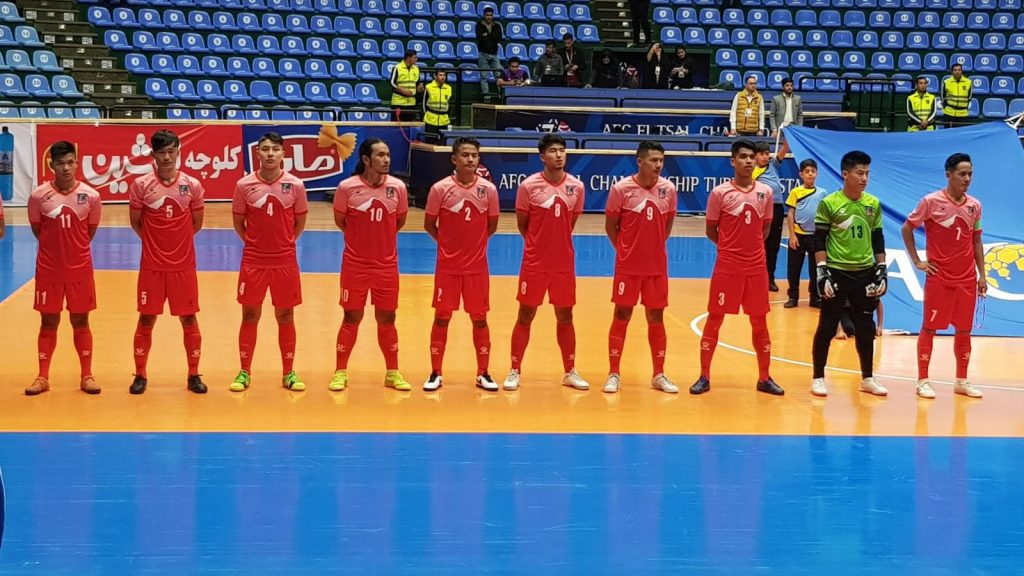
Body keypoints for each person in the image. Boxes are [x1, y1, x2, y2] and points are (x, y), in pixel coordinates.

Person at [690, 139, 783, 396]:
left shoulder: (765, 192)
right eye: (743, 156)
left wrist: (750, 250)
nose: (749, 161)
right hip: (727, 267)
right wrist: (730, 249)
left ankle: (764, 377)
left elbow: (765, 228)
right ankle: (704, 376)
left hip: (756, 268)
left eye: (752, 157)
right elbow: (711, 229)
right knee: (715, 319)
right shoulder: (719, 193)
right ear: (733, 161)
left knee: (759, 322)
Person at [504, 134, 588, 392]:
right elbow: (523, 224)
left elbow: (570, 222)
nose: (559, 155)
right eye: (553, 151)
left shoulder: (576, 187)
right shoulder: (528, 186)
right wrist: (538, 245)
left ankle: (569, 371)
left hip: (563, 263)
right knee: (525, 314)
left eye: (562, 150)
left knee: (565, 315)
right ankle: (515, 370)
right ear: (542, 156)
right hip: (534, 262)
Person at [128, 129, 207, 395]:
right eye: (162, 152)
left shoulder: (192, 185)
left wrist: (177, 246)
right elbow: (136, 223)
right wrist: (157, 246)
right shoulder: (141, 185)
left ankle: (193, 374)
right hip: (152, 267)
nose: (167, 157)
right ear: (153, 154)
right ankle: (140, 374)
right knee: (146, 318)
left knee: (189, 318)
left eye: (172, 151)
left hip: (183, 267)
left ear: (179, 152)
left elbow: (196, 223)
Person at [901, 153, 985, 399]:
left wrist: (982, 275)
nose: (967, 179)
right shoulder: (931, 202)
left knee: (964, 330)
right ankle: (923, 380)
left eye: (970, 174)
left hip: (966, 279)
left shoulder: (975, 206)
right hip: (939, 278)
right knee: (929, 328)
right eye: (962, 174)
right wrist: (917, 261)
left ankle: (961, 381)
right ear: (948, 175)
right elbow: (907, 228)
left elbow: (976, 240)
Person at [331, 139, 411, 392]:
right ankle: (340, 372)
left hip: (386, 266)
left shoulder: (398, 188)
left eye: (388, 155)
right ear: (366, 159)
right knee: (351, 317)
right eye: (380, 155)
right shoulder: (347, 188)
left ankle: (392, 372)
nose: (386, 160)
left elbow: (398, 221)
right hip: (355, 266)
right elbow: (341, 221)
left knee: (387, 318)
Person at [230, 132, 308, 392]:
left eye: (275, 149)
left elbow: (299, 222)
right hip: (254, 261)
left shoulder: (295, 185)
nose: (270, 153)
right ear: (258, 153)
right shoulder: (244, 185)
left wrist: (284, 243)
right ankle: (244, 371)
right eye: (265, 149)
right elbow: (238, 223)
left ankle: (289, 372)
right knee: (250, 315)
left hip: (285, 261)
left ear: (284, 153)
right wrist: (255, 244)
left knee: (285, 315)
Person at [423, 138, 501, 392]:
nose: (470, 159)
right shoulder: (440, 189)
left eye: (474, 155)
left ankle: (483, 373)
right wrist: (448, 245)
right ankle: (435, 372)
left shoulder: (488, 190)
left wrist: (473, 248)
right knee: (441, 318)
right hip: (447, 268)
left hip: (477, 269)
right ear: (454, 159)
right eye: (465, 155)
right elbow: (429, 224)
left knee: (480, 319)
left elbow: (491, 225)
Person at [25, 141, 102, 396]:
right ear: (52, 166)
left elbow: (89, 233)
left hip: (80, 271)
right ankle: (43, 377)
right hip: (49, 271)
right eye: (60, 163)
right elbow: (38, 230)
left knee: (81, 320)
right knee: (48, 321)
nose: (66, 168)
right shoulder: (38, 196)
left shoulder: (91, 196)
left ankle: (87, 375)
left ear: (77, 163)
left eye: (70, 162)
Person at [810, 150, 889, 398]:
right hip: (837, 272)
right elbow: (819, 239)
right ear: (845, 174)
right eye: (859, 173)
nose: (864, 178)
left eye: (867, 173)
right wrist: (822, 271)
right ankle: (818, 377)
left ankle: (867, 378)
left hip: (864, 273)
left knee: (865, 327)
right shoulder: (829, 203)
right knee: (827, 326)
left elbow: (878, 239)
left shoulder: (872, 204)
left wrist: (882, 269)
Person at [604, 141, 678, 394]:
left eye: (661, 161)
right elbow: (610, 226)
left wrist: (652, 248)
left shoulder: (668, 189)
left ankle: (659, 374)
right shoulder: (621, 189)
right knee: (621, 315)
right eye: (653, 160)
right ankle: (614, 373)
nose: (658, 165)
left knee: (656, 317)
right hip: (628, 267)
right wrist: (626, 250)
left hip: (657, 267)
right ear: (639, 161)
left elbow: (667, 225)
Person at [784, 158, 826, 308]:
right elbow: (790, 214)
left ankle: (815, 297)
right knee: (794, 268)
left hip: (815, 236)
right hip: (798, 235)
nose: (810, 174)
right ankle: (793, 296)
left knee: (815, 269)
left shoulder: (822, 193)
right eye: (807, 171)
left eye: (813, 171)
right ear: (801, 174)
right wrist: (792, 235)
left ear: (817, 174)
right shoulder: (795, 192)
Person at [753, 140, 787, 292]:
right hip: (761, 209)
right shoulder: (752, 172)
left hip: (777, 208)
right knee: (759, 244)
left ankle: (770, 278)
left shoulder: (773, 165)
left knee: (773, 245)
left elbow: (784, 149)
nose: (765, 157)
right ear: (755, 156)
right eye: (761, 154)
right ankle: (756, 277)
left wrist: (788, 135)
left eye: (767, 153)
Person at [475, 6, 503, 97]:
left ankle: (501, 96)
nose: (489, 17)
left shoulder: (497, 25)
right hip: (483, 54)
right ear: (484, 15)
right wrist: (491, 37)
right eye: (487, 15)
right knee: (484, 76)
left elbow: (498, 37)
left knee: (499, 75)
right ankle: (486, 97)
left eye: (491, 15)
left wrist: (487, 36)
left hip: (494, 54)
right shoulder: (479, 25)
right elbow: (480, 38)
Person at [389, 49, 423, 121]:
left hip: (411, 103)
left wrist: (420, 88)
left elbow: (418, 83)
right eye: (414, 57)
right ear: (408, 58)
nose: (416, 59)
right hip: (398, 103)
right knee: (396, 125)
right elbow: (392, 83)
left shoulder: (416, 69)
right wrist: (403, 91)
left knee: (409, 126)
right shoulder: (397, 68)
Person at [422, 69, 452, 139]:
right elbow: (423, 104)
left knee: (443, 141)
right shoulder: (428, 87)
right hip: (430, 120)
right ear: (435, 76)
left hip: (444, 121)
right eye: (440, 75)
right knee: (430, 141)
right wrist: (426, 115)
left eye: (444, 75)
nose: (442, 77)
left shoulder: (449, 88)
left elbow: (448, 104)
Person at [941, 63, 972, 128]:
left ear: (962, 71)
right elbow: (943, 97)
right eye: (955, 70)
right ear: (952, 72)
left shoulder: (968, 82)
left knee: (961, 133)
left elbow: (969, 97)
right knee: (948, 133)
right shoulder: (946, 82)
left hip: (963, 114)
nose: (957, 72)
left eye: (959, 70)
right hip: (949, 113)